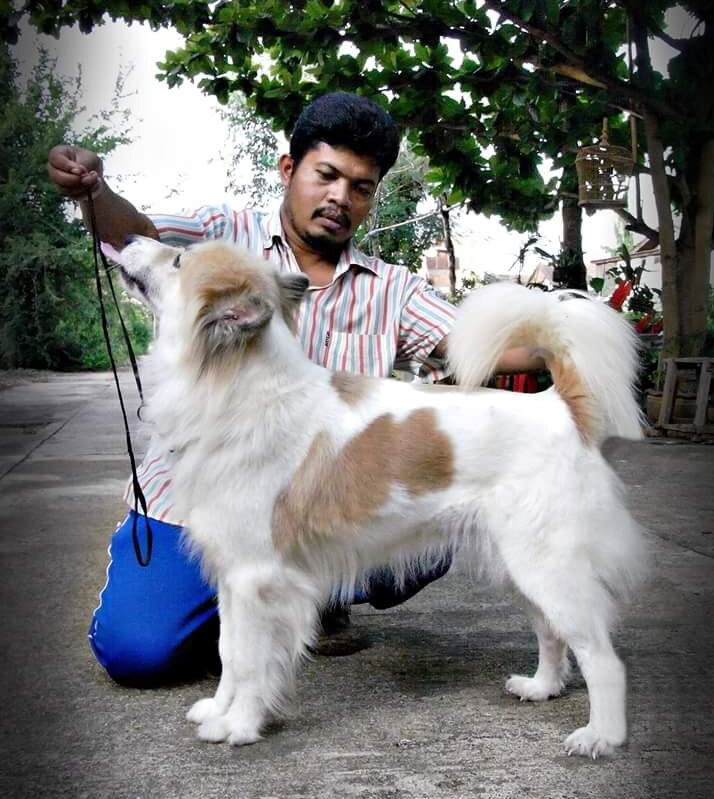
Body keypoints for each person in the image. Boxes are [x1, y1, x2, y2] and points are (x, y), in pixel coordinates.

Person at [48, 92, 543, 685]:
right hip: (193, 501)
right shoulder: (223, 236)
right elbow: (139, 239)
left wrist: (569, 343)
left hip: (316, 507)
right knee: (141, 652)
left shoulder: (394, 290)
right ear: (289, 169)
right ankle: (245, 607)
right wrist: (96, 192)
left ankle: (311, 590)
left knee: (438, 504)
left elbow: (478, 344)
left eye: (361, 187)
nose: (341, 197)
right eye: (326, 175)